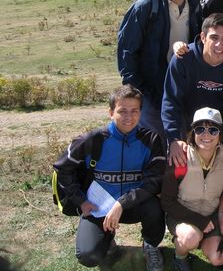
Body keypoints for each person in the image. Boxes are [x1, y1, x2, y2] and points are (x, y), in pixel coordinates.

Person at [53, 85, 166, 270]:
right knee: (88, 256)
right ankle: (107, 244)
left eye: (134, 111)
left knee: (154, 206)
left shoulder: (151, 140)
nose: (129, 117)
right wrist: (81, 201)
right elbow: (62, 170)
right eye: (122, 111)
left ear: (140, 112)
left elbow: (155, 180)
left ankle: (150, 245)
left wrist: (122, 203)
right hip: (98, 207)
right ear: (111, 112)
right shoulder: (92, 140)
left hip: (133, 204)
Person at [117, 0, 201, 138]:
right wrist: (138, 92)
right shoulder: (147, 6)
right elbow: (127, 52)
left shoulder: (196, 6)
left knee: (180, 145)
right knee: (152, 144)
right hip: (150, 92)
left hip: (182, 90)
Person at [162, 13, 223, 167]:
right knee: (178, 169)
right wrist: (174, 139)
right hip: (187, 130)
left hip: (220, 133)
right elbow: (171, 102)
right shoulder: (183, 60)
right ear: (203, 37)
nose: (219, 45)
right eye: (214, 38)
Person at [161, 107, 223, 270]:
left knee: (219, 259)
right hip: (181, 215)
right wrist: (199, 221)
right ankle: (180, 255)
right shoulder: (180, 158)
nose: (206, 134)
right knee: (191, 237)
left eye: (213, 129)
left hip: (210, 218)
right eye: (200, 129)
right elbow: (167, 201)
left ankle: (202, 240)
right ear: (192, 133)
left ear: (220, 135)